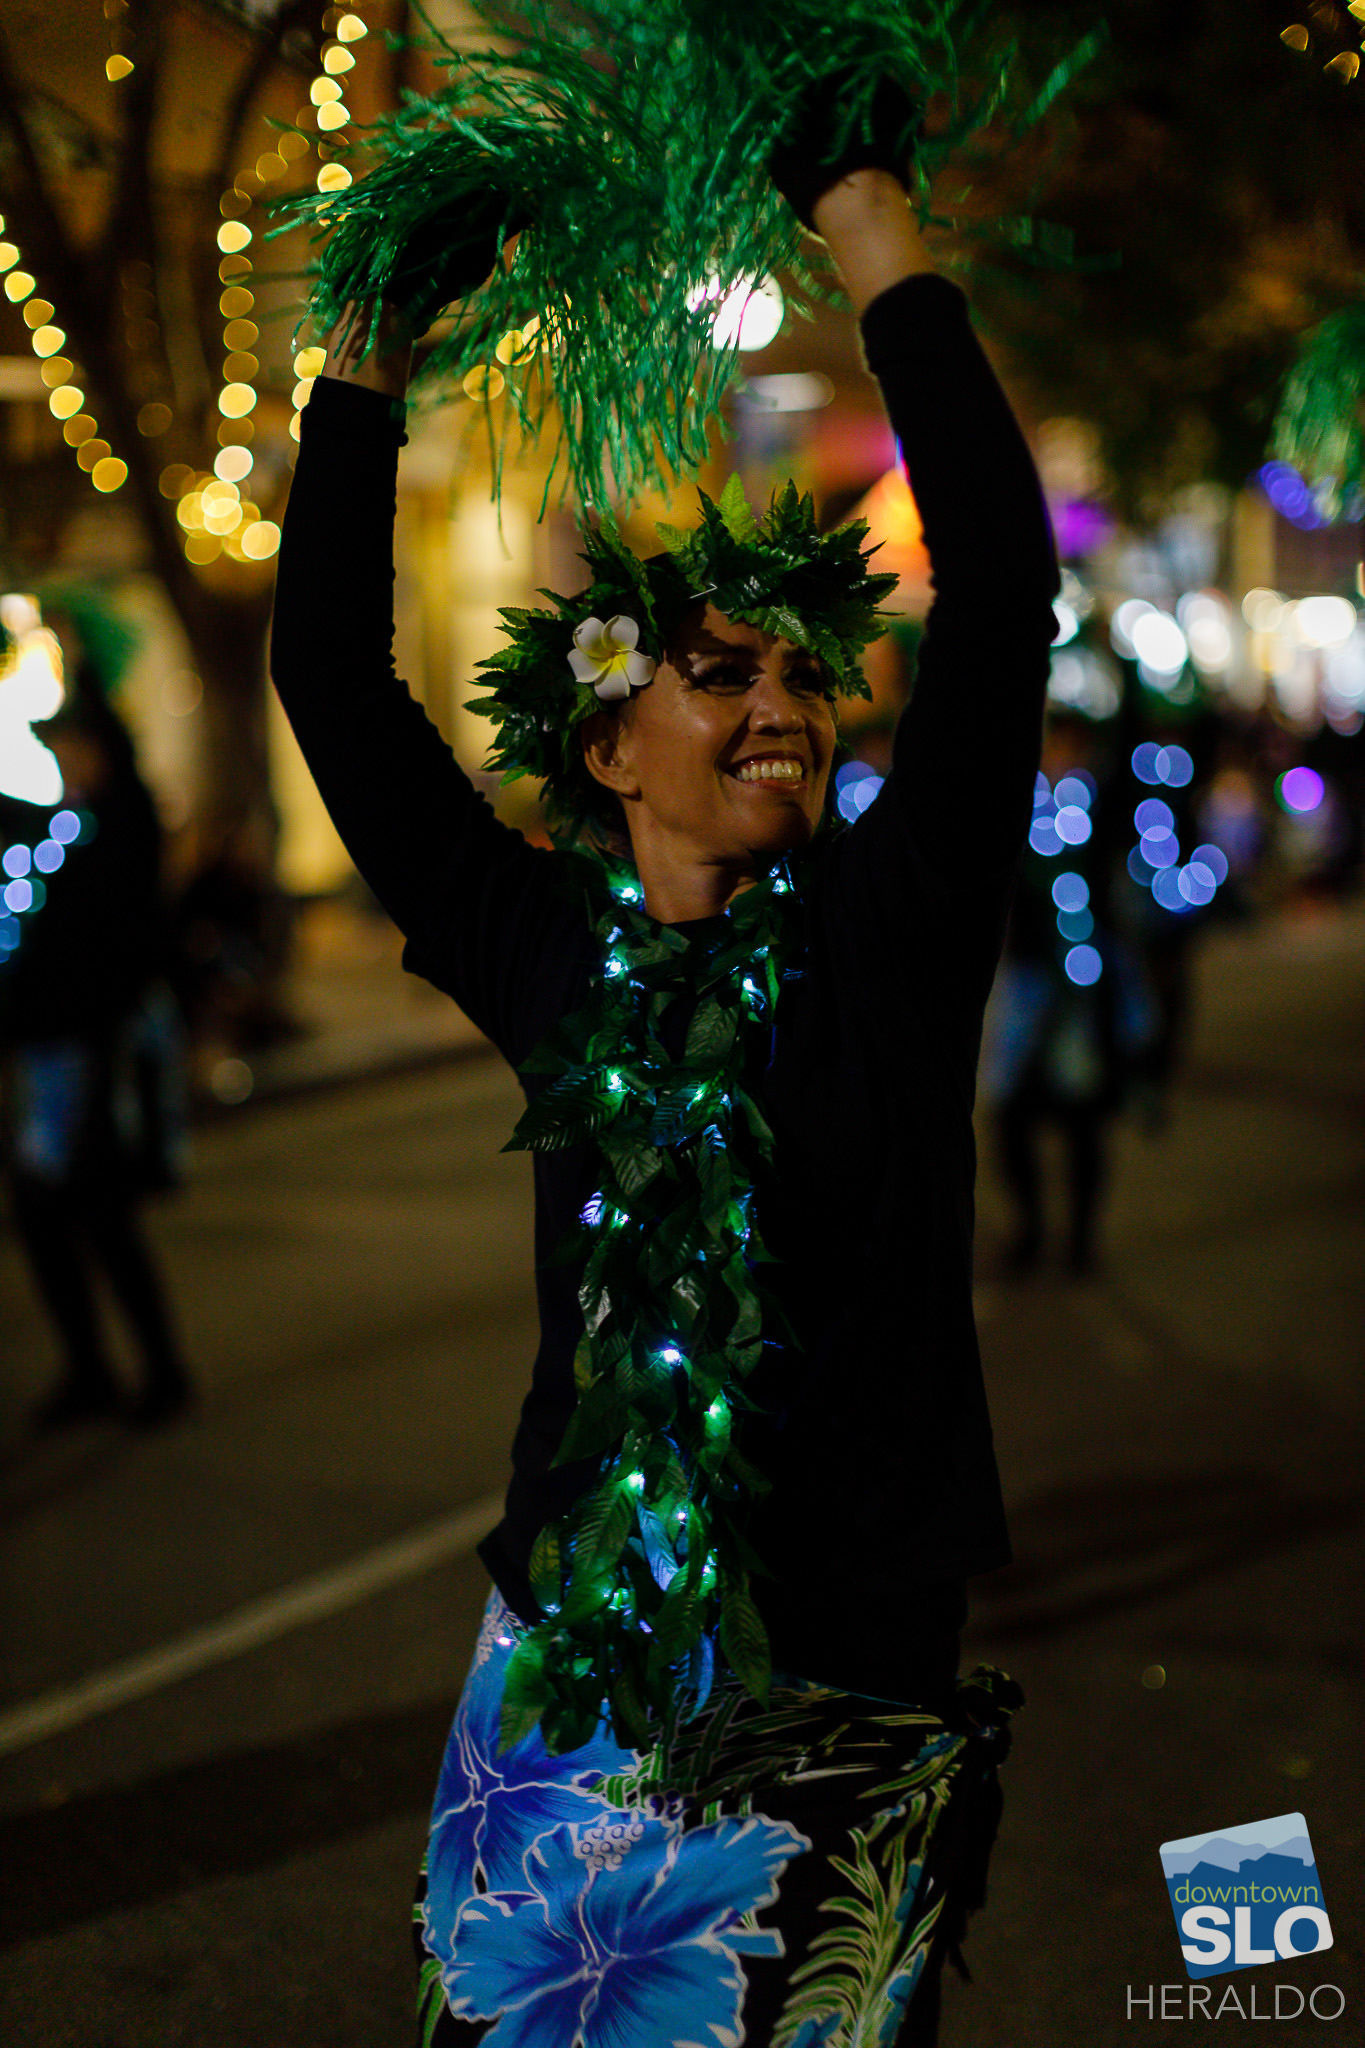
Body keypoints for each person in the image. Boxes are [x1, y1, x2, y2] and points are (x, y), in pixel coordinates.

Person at [271, 99, 1058, 2048]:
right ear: (610, 747)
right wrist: (361, 355)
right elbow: (329, 687)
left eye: (801, 675)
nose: (783, 707)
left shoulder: (885, 935)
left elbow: (1002, 603)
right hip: (580, 1640)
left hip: (848, 1659)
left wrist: (867, 235)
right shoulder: (547, 947)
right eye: (724, 675)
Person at [1, 669, 193, 1431]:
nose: (64, 759)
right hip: (52, 1053)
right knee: (49, 1216)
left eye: (72, 745)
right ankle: (92, 1369)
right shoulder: (75, 823)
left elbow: (111, 944)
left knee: (100, 1217)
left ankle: (159, 1372)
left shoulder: (116, 828)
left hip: (96, 1054)